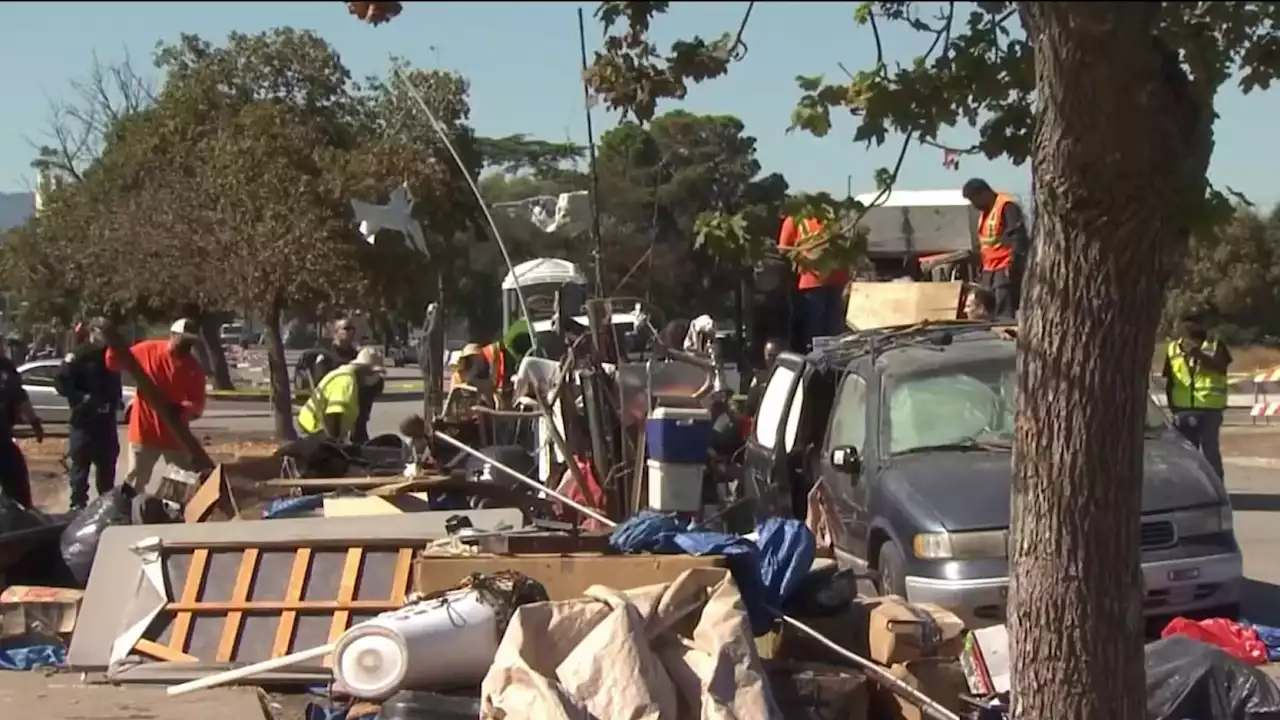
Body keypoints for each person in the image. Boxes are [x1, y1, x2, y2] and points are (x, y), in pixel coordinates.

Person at [107, 318, 207, 493]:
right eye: (184, 340)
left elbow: (198, 405)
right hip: (144, 430)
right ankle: (129, 513)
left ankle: (174, 514)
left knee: (181, 480)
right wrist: (113, 343)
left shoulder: (193, 368)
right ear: (173, 336)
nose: (187, 346)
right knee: (135, 480)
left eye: (191, 342)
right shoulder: (148, 350)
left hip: (175, 434)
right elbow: (114, 362)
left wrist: (184, 409)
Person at [55, 317, 123, 510]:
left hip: (106, 422)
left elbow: (114, 380)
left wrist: (117, 400)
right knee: (80, 466)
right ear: (92, 332)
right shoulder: (79, 355)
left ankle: (106, 506)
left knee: (107, 466)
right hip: (84, 421)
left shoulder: (111, 354)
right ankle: (77, 506)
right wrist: (80, 398)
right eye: (102, 332)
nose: (105, 337)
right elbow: (60, 382)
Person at [1163, 316, 1231, 479]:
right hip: (1183, 409)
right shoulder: (1173, 349)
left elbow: (1221, 367)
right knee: (1185, 455)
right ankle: (1187, 487)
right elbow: (1171, 380)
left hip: (1210, 409)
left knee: (1210, 452)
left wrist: (1199, 355)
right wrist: (1173, 407)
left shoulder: (1215, 346)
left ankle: (1215, 488)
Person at [962, 178, 1030, 321]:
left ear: (984, 194)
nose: (974, 205)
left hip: (1005, 268)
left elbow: (1018, 237)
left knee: (1004, 308)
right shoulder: (986, 212)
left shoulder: (1006, 206)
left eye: (974, 199)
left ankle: (1006, 337)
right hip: (989, 269)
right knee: (987, 308)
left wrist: (1014, 264)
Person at [778, 215, 849, 351]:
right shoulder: (833, 216)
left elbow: (783, 248)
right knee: (831, 327)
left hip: (814, 280)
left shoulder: (794, 219)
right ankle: (829, 361)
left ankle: (818, 359)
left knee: (817, 328)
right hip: (830, 277)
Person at [297, 347, 387, 441]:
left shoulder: (348, 376)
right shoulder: (347, 381)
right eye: (375, 373)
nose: (376, 378)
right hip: (314, 430)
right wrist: (335, 442)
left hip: (318, 429)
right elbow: (333, 415)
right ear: (365, 369)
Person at [0, 342, 44, 508]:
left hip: (3, 440)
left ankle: (21, 520)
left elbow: (19, 396)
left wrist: (34, 421)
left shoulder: (6, 367)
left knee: (17, 481)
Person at [469, 321, 534, 408]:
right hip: (493, 407)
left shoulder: (533, 356)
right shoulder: (490, 353)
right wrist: (490, 390)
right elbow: (472, 379)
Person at [746, 338, 784, 416]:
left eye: (775, 355)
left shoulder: (787, 377)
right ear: (765, 356)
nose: (772, 359)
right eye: (770, 355)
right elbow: (750, 407)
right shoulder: (759, 379)